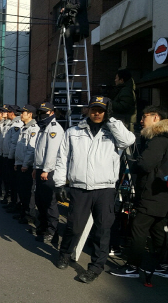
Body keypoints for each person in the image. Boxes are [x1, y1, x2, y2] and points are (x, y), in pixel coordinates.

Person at [54, 96, 135, 283]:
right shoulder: (74, 131)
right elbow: (62, 158)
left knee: (102, 230)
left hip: (104, 189)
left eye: (102, 110)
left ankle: (95, 268)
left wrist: (112, 121)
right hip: (79, 188)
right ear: (88, 110)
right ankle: (65, 253)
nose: (97, 113)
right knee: (73, 226)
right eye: (94, 109)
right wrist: (59, 183)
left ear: (108, 112)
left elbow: (128, 141)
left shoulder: (114, 132)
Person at [109, 106, 168, 278]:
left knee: (139, 229)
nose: (141, 120)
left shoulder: (158, 140)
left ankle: (132, 267)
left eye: (145, 116)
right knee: (158, 229)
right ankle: (164, 265)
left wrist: (133, 163)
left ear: (156, 118)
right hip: (161, 193)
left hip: (151, 193)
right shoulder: (164, 138)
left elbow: (145, 164)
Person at [32, 102, 65, 242]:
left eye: (45, 112)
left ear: (52, 113)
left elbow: (52, 152)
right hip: (40, 168)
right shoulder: (42, 128)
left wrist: (46, 170)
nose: (42, 115)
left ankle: (52, 231)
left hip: (49, 170)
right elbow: (38, 151)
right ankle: (43, 227)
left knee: (49, 202)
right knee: (40, 200)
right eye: (40, 112)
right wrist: (35, 167)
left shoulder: (54, 129)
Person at [13, 105, 39, 224]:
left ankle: (29, 215)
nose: (21, 114)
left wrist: (24, 164)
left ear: (30, 114)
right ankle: (22, 212)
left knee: (28, 191)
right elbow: (19, 147)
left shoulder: (33, 128)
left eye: (23, 112)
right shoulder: (24, 127)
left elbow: (31, 149)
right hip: (20, 163)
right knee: (21, 190)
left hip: (27, 166)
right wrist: (17, 162)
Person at [2, 105, 23, 209]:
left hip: (12, 157)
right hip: (7, 155)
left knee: (14, 182)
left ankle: (15, 202)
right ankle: (12, 201)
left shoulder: (17, 124)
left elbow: (14, 143)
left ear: (13, 112)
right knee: (9, 180)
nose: (7, 113)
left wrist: (10, 157)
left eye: (9, 111)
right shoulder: (10, 123)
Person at [58, 0, 89, 66]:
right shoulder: (70, 0)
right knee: (67, 39)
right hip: (73, 28)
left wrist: (67, 7)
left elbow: (80, 6)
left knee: (67, 34)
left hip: (80, 27)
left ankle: (69, 58)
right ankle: (68, 70)